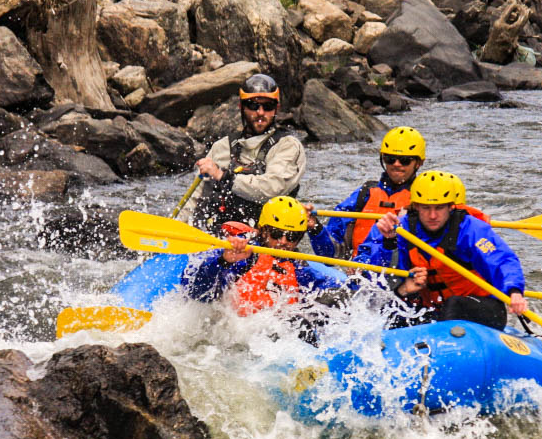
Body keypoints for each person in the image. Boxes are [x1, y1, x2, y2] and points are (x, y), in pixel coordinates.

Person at [356, 171, 528, 330]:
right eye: (426, 208)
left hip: (481, 307)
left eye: (439, 208)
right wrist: (388, 243)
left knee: (453, 305)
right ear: (415, 206)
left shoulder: (470, 230)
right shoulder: (402, 229)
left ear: (450, 207)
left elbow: (502, 260)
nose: (432, 216)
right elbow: (379, 277)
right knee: (390, 311)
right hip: (434, 309)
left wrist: (514, 291)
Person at [177, 74, 307, 231]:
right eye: (253, 105)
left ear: (276, 109)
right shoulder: (222, 147)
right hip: (223, 239)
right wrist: (177, 229)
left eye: (267, 106)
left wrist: (224, 177)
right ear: (241, 107)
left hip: (268, 239)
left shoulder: (288, 146)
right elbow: (196, 199)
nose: (260, 112)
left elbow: (272, 188)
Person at [180, 196, 342, 320]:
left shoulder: (297, 268)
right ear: (262, 230)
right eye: (276, 234)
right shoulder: (241, 253)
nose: (283, 242)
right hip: (227, 330)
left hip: (267, 337)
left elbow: (328, 278)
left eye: (292, 236)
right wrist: (223, 261)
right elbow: (196, 293)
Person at [307, 126, 425, 259]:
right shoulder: (364, 194)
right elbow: (329, 254)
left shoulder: (425, 202)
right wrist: (315, 228)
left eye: (405, 160)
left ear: (418, 163)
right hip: (360, 273)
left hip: (398, 273)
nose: (396, 164)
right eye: (390, 158)